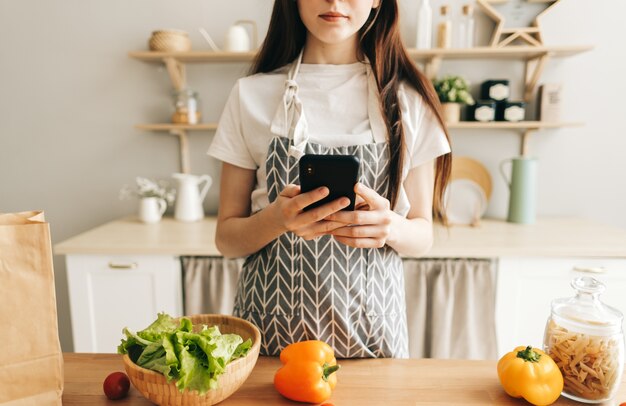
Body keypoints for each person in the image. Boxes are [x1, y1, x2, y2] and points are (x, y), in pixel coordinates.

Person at [207, 0, 451, 358]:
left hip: (374, 339)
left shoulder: (409, 100)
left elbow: (423, 235)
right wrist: (276, 219)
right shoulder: (250, 95)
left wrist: (391, 228)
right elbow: (227, 239)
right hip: (270, 338)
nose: (334, 2)